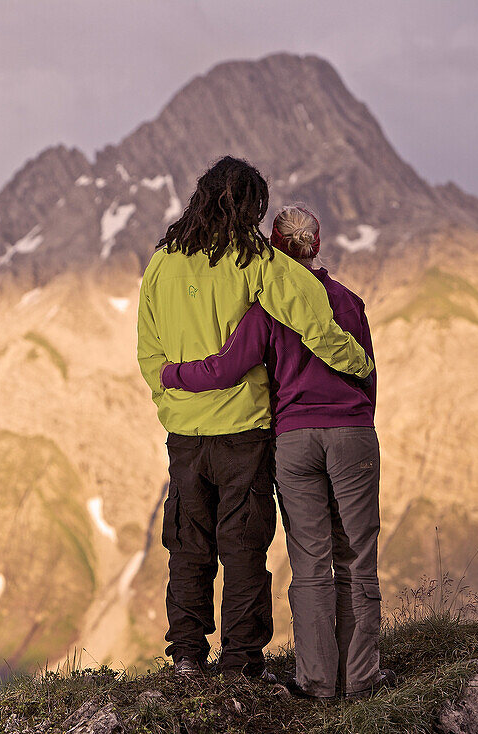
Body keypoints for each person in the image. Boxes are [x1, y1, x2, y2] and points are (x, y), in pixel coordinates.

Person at [137, 159, 375, 680]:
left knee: (187, 545)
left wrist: (168, 394)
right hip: (243, 430)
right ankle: (242, 661)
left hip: (184, 432)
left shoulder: (160, 263)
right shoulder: (255, 257)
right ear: (249, 207)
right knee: (243, 546)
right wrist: (357, 363)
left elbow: (147, 348)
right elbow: (311, 314)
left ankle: (185, 657)